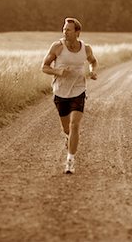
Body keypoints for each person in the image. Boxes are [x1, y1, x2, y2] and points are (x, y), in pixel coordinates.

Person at [41, 17, 98, 174]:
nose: (64, 31)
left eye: (68, 29)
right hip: (60, 91)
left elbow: (93, 61)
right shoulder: (57, 47)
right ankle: (68, 137)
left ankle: (70, 161)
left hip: (79, 90)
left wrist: (93, 71)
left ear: (77, 32)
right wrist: (58, 71)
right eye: (64, 29)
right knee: (67, 128)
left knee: (75, 125)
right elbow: (44, 67)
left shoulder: (85, 49)